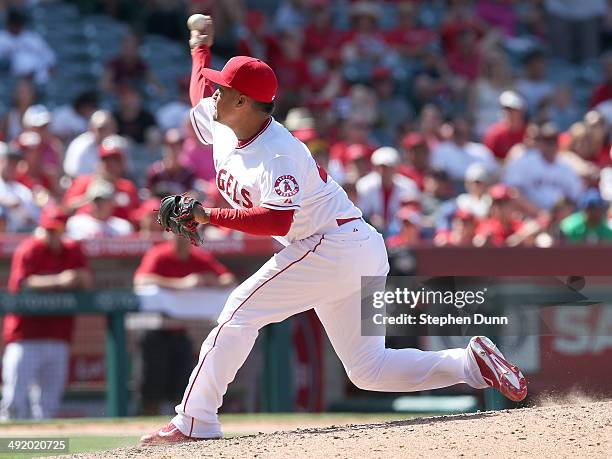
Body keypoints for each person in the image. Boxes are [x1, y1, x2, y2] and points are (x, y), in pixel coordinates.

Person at [140, 15, 527, 444]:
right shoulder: (226, 121)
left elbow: (277, 220)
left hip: (329, 244)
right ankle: (470, 363)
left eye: (224, 89)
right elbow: (199, 92)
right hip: (349, 246)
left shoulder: (279, 153)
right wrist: (200, 48)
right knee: (369, 370)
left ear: (244, 102)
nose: (215, 93)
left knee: (238, 311)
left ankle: (195, 420)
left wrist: (207, 215)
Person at [0, 205, 93, 420]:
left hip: (58, 336)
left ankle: (44, 450)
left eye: (57, 230)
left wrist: (77, 277)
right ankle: (8, 450)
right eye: (49, 230)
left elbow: (88, 282)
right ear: (41, 229)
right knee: (13, 401)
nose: (53, 234)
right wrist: (59, 280)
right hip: (25, 337)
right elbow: (22, 283)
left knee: (47, 406)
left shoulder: (72, 250)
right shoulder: (30, 249)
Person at [134, 233, 236, 415]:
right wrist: (181, 284)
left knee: (182, 385)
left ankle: (180, 426)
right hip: (154, 330)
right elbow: (141, 281)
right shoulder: (159, 253)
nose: (182, 240)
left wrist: (212, 281)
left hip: (181, 332)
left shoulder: (199, 256)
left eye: (187, 236)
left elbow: (229, 279)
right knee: (152, 386)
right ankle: (147, 420)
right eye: (178, 235)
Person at [65, 180, 134, 240]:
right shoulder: (76, 223)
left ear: (111, 203)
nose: (99, 204)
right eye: (96, 200)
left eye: (103, 200)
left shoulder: (123, 227)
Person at [63, 111, 118, 178]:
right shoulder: (80, 145)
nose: (106, 132)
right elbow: (72, 173)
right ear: (91, 129)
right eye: (101, 129)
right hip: (83, 184)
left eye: (109, 127)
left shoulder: (119, 144)